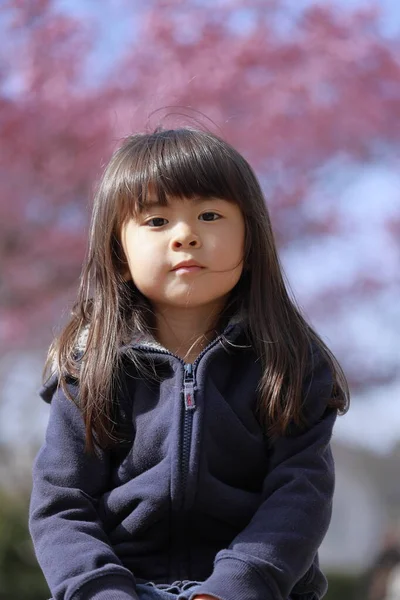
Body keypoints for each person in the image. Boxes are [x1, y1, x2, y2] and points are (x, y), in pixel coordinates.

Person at [29, 126, 350, 600]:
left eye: (210, 214)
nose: (185, 235)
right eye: (157, 222)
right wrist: (100, 590)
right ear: (119, 253)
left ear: (251, 237)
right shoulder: (88, 367)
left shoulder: (292, 363)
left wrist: (235, 586)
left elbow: (300, 495)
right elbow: (62, 504)